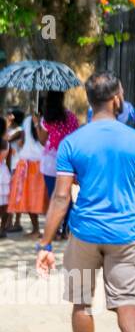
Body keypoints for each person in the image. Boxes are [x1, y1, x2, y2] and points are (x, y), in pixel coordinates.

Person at [36, 72, 135, 332]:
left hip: (84, 234)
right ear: (117, 98)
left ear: (90, 101)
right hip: (124, 233)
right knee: (126, 300)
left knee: (81, 302)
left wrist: (45, 243)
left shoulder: (73, 142)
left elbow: (61, 198)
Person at [36, 91, 80, 241]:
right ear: (62, 99)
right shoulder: (72, 117)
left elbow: (42, 141)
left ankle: (54, 230)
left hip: (50, 162)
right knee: (66, 195)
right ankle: (67, 229)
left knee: (54, 196)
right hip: (67, 160)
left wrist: (37, 124)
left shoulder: (47, 118)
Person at [8, 106, 47, 233]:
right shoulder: (43, 120)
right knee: (36, 196)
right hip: (37, 162)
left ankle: (36, 229)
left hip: (28, 162)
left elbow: (24, 141)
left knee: (30, 196)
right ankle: (40, 229)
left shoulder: (35, 121)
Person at [0, 135, 11, 238]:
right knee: (4, 203)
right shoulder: (6, 143)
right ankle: (2, 228)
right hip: (4, 172)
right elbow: (9, 162)